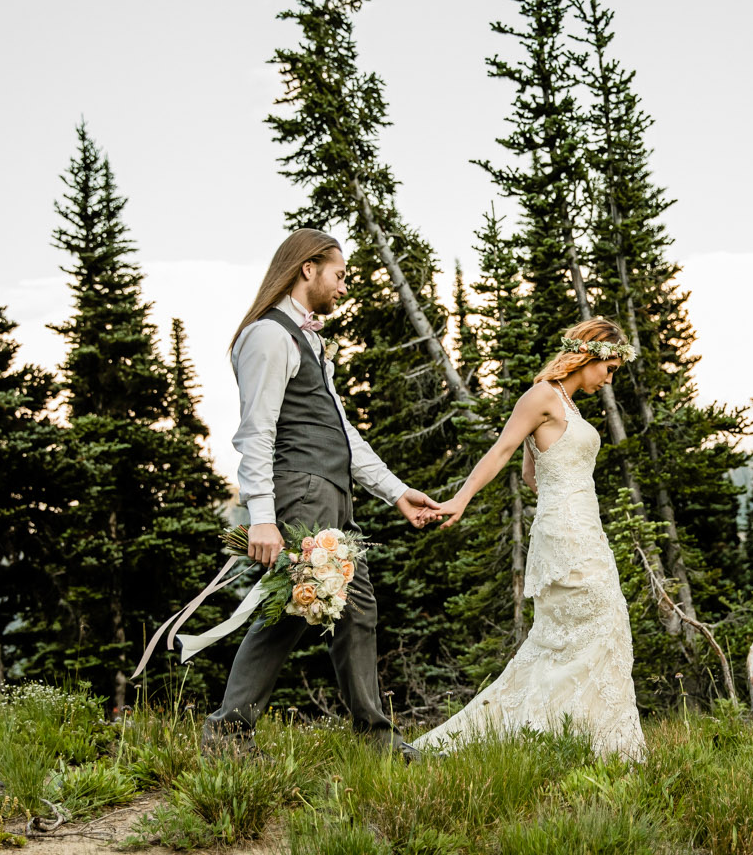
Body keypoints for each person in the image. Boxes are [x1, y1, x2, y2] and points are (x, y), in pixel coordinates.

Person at [203, 228, 440, 759]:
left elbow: (340, 431)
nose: (344, 286)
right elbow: (256, 433)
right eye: (340, 274)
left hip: (331, 492)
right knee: (293, 606)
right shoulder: (268, 335)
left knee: (355, 609)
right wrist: (261, 517)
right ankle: (227, 733)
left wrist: (396, 492)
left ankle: (375, 743)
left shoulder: (309, 340)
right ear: (307, 268)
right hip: (301, 492)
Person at [418, 318, 646, 760]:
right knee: (598, 627)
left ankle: (576, 739)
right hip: (567, 534)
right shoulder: (542, 395)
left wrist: (562, 486)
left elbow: (530, 472)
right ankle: (595, 745)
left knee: (582, 636)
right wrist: (460, 500)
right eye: (610, 368)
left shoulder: (569, 405)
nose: (608, 380)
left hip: (584, 527)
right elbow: (502, 450)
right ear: (589, 355)